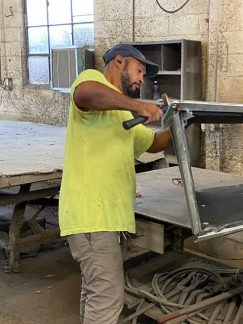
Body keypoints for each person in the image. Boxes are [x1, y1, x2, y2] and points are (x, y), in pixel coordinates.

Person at [58, 43, 172, 324]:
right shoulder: (92, 80)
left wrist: (182, 121)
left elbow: (155, 144)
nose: (141, 78)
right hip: (93, 218)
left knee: (95, 294)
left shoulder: (121, 113)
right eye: (139, 70)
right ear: (119, 62)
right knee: (108, 301)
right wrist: (138, 106)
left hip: (102, 220)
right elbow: (86, 95)